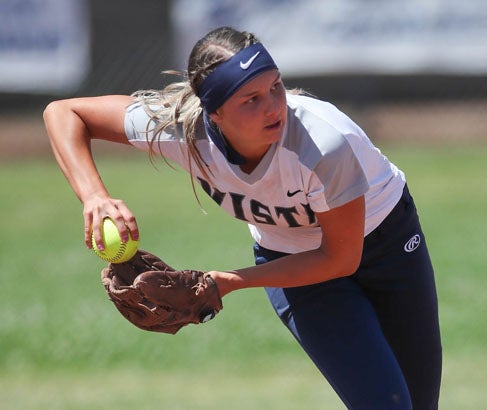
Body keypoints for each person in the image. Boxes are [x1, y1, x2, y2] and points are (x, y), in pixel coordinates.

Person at [43, 26, 442, 409]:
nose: (273, 106)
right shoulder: (185, 129)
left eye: (275, 86)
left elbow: (341, 258)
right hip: (293, 264)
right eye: (250, 99)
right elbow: (64, 113)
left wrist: (228, 282)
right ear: (214, 113)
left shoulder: (323, 144)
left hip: (388, 245)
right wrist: (94, 197)